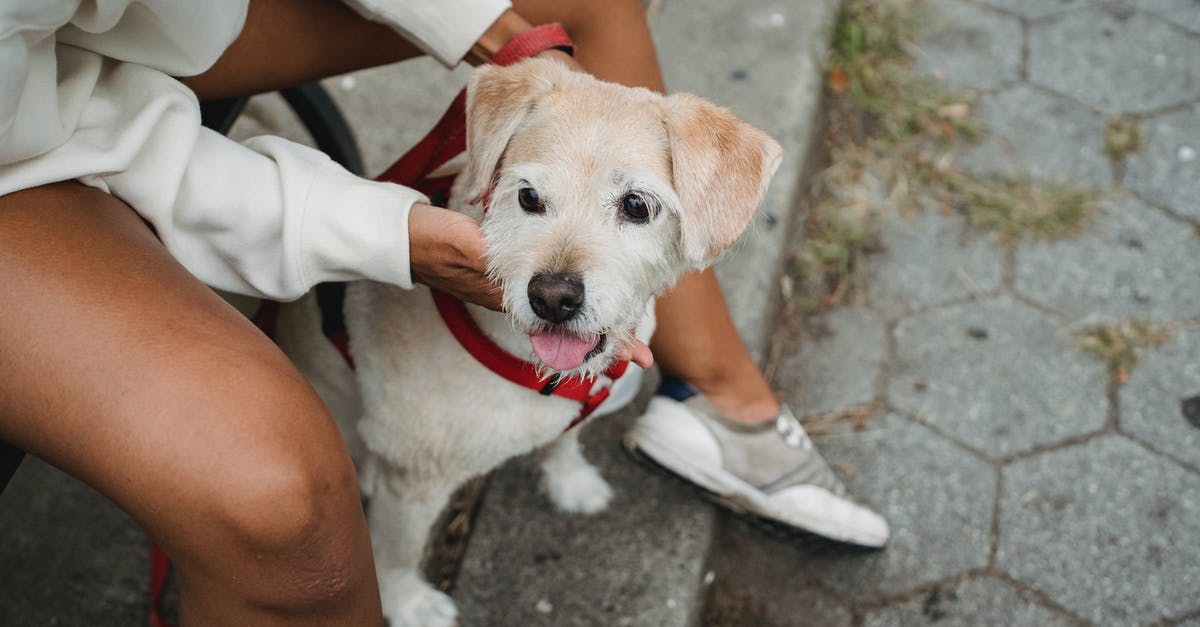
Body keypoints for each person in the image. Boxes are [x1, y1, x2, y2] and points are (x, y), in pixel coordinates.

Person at [0, 0, 886, 622]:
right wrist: (384, 232)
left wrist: (490, 28)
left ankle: (707, 399)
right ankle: (396, 578)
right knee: (294, 505)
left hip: (157, 14)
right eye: (528, 198)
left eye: (636, 207)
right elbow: (67, 130)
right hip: (33, 121)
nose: (560, 278)